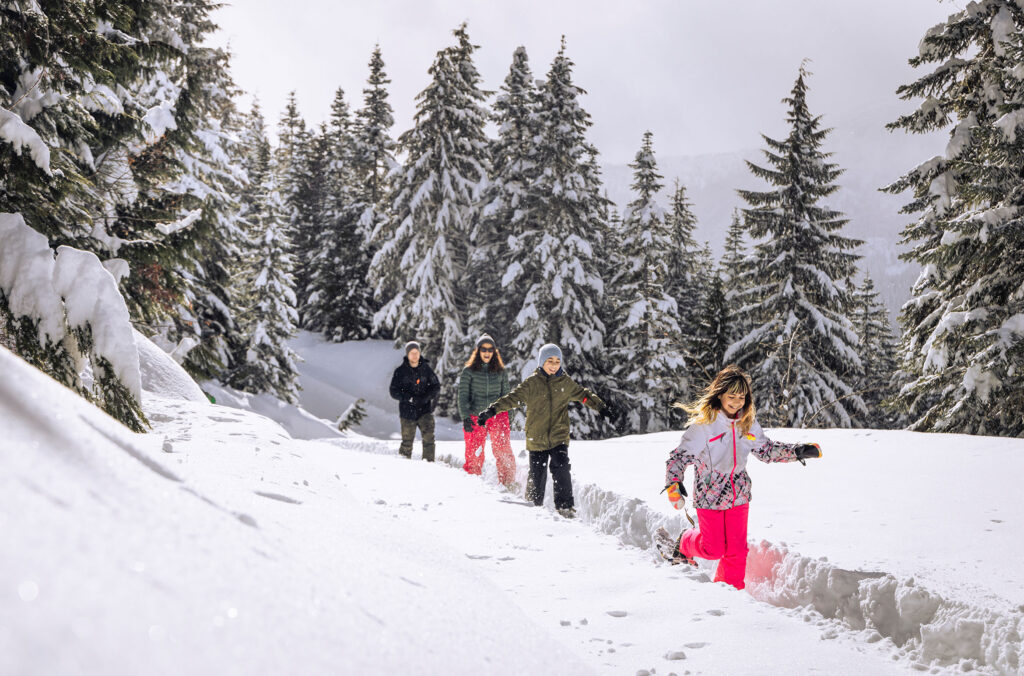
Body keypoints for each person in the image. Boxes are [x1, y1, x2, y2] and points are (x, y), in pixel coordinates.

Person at [660, 364, 821, 589]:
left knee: (736, 551)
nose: (737, 402)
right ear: (720, 394)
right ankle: (685, 541)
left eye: (742, 396)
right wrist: (673, 484)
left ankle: (729, 597)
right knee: (713, 548)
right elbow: (678, 458)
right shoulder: (705, 426)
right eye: (732, 396)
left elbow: (765, 449)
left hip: (739, 494)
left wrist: (796, 452)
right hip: (710, 495)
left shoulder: (747, 424)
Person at [477, 343, 615, 518]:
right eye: (550, 361)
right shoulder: (532, 384)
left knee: (562, 467)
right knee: (537, 474)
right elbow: (512, 399)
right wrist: (491, 411)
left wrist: (601, 407)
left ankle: (565, 507)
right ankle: (534, 506)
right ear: (542, 362)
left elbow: (583, 394)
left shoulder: (565, 382)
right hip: (537, 437)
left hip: (559, 436)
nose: (554, 365)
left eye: (557, 361)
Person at [457, 334, 515, 486]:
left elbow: (506, 395)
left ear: (494, 352)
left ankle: (508, 484)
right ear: (478, 351)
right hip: (476, 415)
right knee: (474, 453)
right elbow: (463, 397)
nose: (487, 352)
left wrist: (510, 416)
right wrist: (465, 417)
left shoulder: (501, 372)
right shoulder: (468, 371)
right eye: (484, 349)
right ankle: (473, 484)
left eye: (490, 349)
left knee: (503, 450)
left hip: (498, 414)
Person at [388, 341, 440, 461]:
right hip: (407, 412)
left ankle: (429, 464)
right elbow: (393, 391)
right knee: (407, 443)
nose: (415, 356)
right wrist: (408, 398)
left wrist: (426, 398)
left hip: (424, 410)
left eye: (416, 353)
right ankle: (404, 465)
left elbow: (435, 386)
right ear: (407, 354)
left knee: (429, 440)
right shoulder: (400, 371)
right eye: (412, 353)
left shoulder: (426, 369)